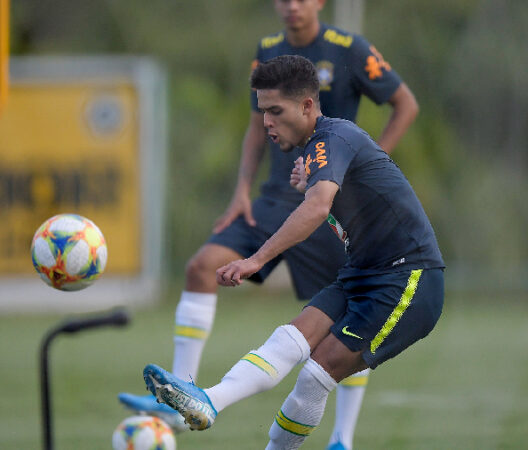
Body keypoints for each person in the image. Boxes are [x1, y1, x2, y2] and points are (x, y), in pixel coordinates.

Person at [118, 1, 418, 447]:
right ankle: (182, 398)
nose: (292, 5)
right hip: (272, 201)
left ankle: (343, 437)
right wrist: (241, 188)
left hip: (323, 206)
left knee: (349, 322)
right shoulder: (269, 50)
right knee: (202, 266)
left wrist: (363, 167)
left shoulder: (349, 48)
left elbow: (404, 104)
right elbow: (257, 126)